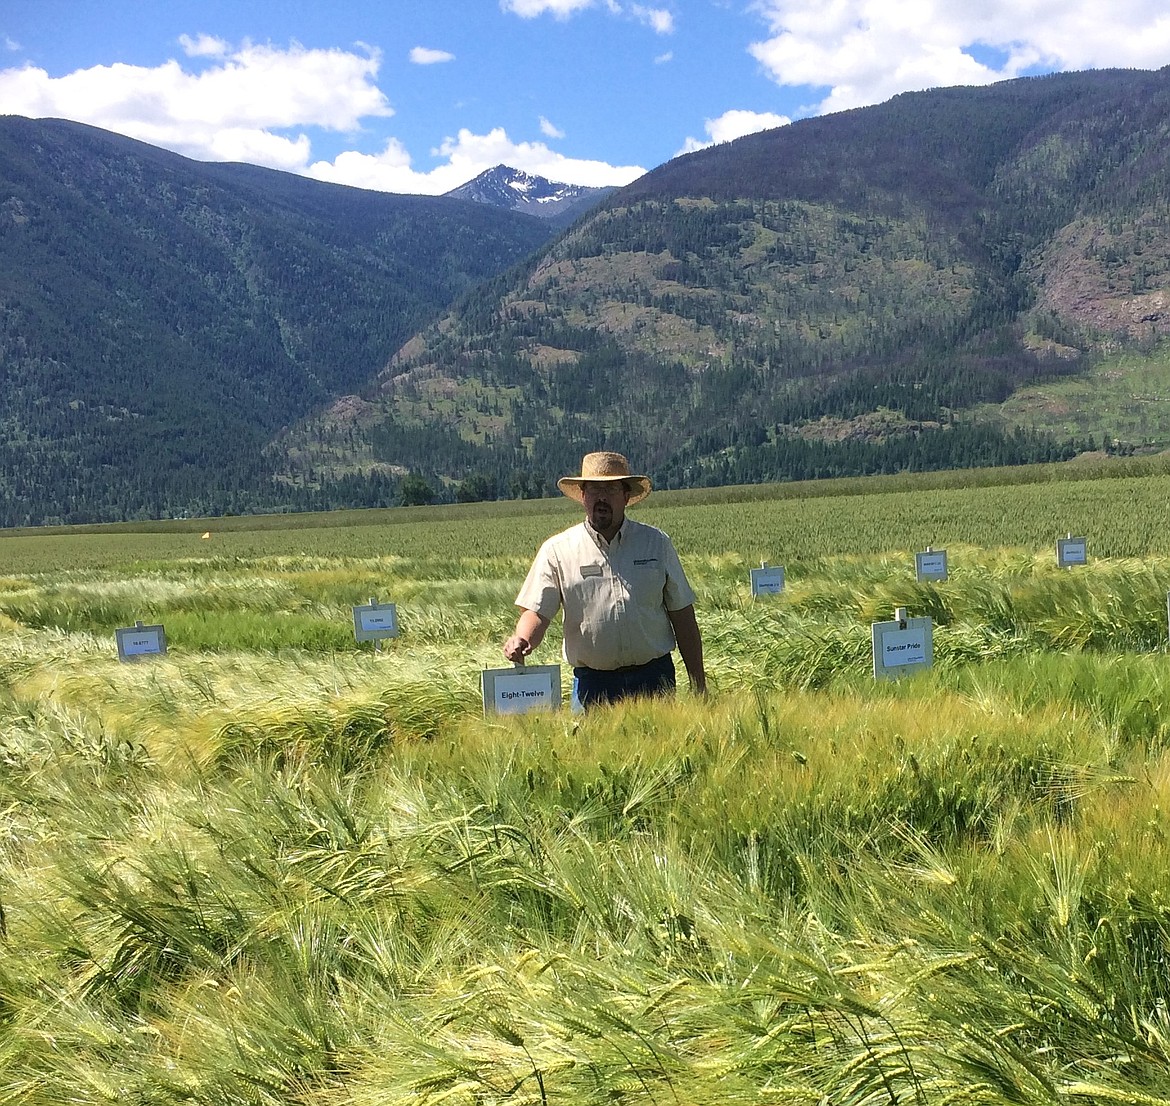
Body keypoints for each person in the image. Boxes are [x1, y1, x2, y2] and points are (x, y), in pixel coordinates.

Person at [503, 451, 706, 709]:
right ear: (583, 496)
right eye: (593, 490)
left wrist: (698, 682)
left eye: (610, 489)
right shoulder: (558, 550)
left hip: (654, 679)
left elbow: (683, 615)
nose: (601, 498)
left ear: (626, 496)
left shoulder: (656, 543)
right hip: (592, 685)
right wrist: (522, 638)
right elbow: (537, 611)